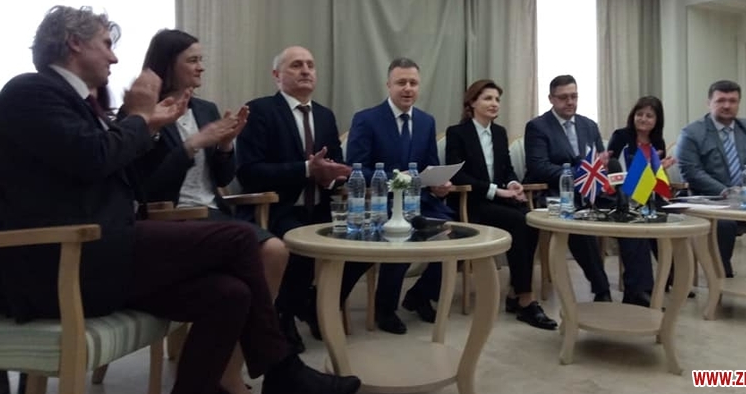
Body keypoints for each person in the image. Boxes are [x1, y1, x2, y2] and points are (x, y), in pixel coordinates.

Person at [0, 6, 360, 394]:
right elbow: (94, 159)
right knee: (240, 240)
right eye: (106, 45)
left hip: (104, 251)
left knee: (229, 295)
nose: (114, 58)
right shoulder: (30, 91)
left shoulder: (83, 105)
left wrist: (154, 128)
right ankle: (282, 369)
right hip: (64, 262)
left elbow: (128, 182)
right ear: (74, 43)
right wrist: (141, 119)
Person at [137, 29, 291, 393]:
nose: (201, 67)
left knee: (275, 250)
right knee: (257, 260)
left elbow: (221, 178)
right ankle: (261, 367)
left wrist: (224, 146)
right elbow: (148, 188)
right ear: (168, 65)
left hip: (212, 211)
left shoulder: (204, 108)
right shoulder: (145, 112)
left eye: (201, 59)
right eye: (192, 60)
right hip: (171, 219)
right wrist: (191, 145)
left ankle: (230, 369)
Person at [235, 46, 352, 348]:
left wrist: (332, 176)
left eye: (310, 65)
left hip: (321, 206)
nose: (306, 71)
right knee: (301, 244)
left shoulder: (325, 115)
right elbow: (248, 172)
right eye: (296, 65)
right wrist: (305, 169)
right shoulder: (260, 111)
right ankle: (284, 315)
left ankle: (313, 304)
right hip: (278, 208)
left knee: (363, 240)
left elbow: (336, 165)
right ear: (277, 75)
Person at [342, 58, 454, 334]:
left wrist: (439, 184)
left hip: (420, 201)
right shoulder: (366, 119)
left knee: (451, 233)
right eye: (401, 82)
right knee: (401, 233)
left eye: (413, 83)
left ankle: (420, 295)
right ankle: (385, 308)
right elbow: (355, 169)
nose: (407, 88)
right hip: (381, 201)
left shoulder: (426, 121)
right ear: (388, 85)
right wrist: (395, 178)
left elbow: (429, 165)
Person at [524, 74, 650, 305]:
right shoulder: (537, 127)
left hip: (594, 191)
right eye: (563, 97)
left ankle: (636, 290)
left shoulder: (589, 125)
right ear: (551, 99)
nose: (570, 102)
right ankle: (602, 289)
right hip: (558, 194)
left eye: (574, 96)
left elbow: (602, 163)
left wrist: (604, 171)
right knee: (580, 225)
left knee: (632, 216)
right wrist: (580, 172)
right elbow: (539, 167)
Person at [445, 80, 556, 329]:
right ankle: (525, 299)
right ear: (472, 103)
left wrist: (514, 184)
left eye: (497, 99)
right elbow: (458, 175)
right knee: (519, 221)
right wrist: (497, 191)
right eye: (487, 98)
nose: (494, 103)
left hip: (498, 201)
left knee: (531, 220)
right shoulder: (457, 133)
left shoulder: (499, 133)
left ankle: (516, 292)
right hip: (470, 204)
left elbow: (507, 169)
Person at [676, 79, 746, 283]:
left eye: (732, 101)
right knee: (724, 224)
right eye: (721, 100)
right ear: (709, 103)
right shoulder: (692, 133)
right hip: (714, 201)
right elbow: (691, 171)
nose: (727, 105)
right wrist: (725, 191)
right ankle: (721, 275)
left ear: (738, 103)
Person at [608, 95, 687, 296]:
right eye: (639, 114)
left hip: (649, 195)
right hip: (623, 196)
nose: (643, 119)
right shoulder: (621, 136)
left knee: (672, 220)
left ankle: (671, 277)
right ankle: (642, 288)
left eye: (649, 116)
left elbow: (655, 178)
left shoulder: (657, 141)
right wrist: (649, 170)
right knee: (639, 223)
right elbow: (612, 171)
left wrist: (658, 170)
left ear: (657, 120)